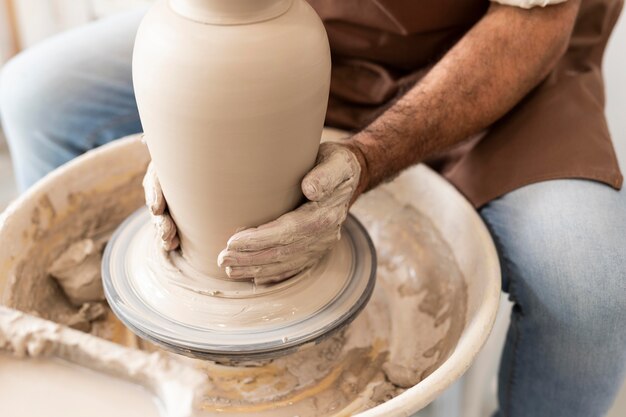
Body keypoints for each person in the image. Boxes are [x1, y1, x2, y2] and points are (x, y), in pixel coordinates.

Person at [1, 0, 625, 415]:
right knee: (36, 99)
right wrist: (184, 135)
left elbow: (533, 24)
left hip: (496, 59)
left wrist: (369, 159)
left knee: (592, 284)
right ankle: (94, 343)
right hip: (304, 32)